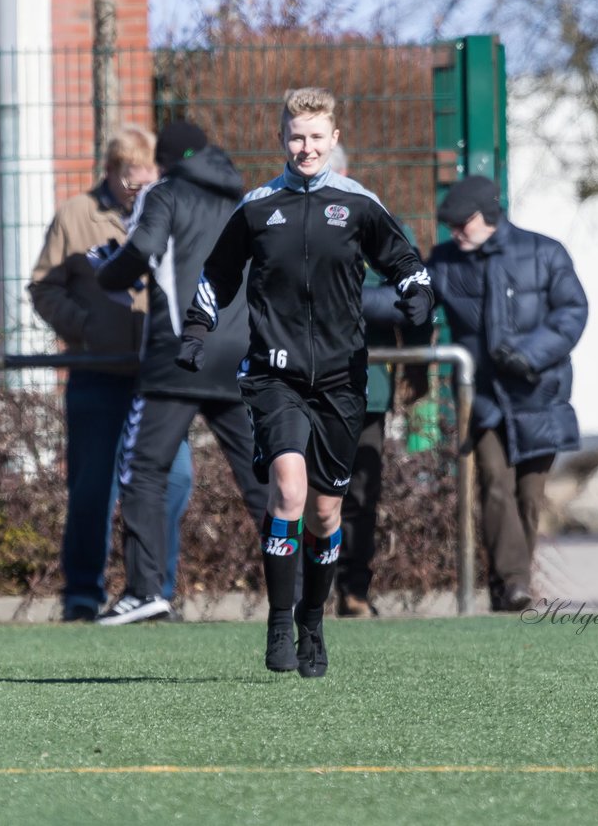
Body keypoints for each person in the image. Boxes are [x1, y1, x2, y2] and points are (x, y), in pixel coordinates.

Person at [176, 88, 434, 677]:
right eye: (296, 136)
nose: (306, 146)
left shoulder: (359, 204)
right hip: (274, 375)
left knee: (324, 514)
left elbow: (404, 261)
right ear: (281, 139)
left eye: (317, 136)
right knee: (288, 490)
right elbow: (217, 274)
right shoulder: (258, 208)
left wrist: (419, 297)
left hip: (343, 380)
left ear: (335, 140)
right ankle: (277, 621)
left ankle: (312, 622)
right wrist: (196, 329)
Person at [96, 121, 268, 624]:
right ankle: (297, 586)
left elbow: (142, 251)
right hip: (238, 352)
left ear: (166, 159)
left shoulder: (163, 193)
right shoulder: (242, 196)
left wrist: (106, 271)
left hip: (179, 353)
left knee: (143, 468)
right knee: (260, 475)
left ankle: (146, 589)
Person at [27, 125, 192, 622]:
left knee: (174, 479)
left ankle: (155, 588)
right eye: (128, 175)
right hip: (96, 373)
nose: (138, 185)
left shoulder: (170, 210)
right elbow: (44, 287)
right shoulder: (77, 216)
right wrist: (85, 326)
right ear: (111, 172)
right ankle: (82, 593)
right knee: (93, 487)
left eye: (147, 175)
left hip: (157, 376)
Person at [429, 175, 588, 614]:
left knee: (529, 496)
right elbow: (411, 302)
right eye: (452, 225)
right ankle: (514, 583)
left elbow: (572, 312)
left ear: (489, 216)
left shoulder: (545, 252)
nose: (456, 232)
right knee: (494, 484)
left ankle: (510, 584)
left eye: (465, 223)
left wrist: (530, 355)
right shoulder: (444, 262)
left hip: (540, 394)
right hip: (484, 398)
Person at [325, 144, 434, 618]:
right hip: (296, 382)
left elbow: (409, 297)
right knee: (302, 492)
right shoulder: (278, 217)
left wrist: (345, 302)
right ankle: (306, 590)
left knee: (361, 492)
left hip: (365, 383)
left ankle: (353, 590)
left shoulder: (379, 223)